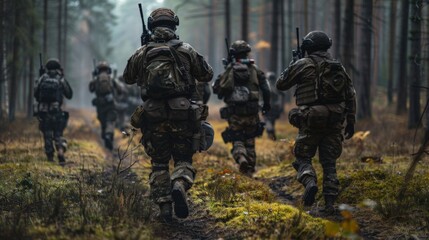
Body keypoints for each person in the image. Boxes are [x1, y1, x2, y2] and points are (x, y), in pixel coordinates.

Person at [123, 8, 213, 222]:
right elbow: (207, 74)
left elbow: (127, 78)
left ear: (152, 26)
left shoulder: (142, 52)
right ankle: (180, 184)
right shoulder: (186, 49)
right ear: (175, 25)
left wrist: (144, 49)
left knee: (159, 163)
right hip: (182, 112)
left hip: (153, 114)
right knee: (183, 158)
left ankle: (164, 207)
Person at [276, 31, 356, 214]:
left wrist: (294, 63)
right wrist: (351, 121)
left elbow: (281, 84)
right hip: (335, 121)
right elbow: (351, 95)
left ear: (308, 47)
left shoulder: (303, 64)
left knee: (302, 157)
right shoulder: (338, 67)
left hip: (310, 121)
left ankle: (309, 180)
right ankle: (329, 205)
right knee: (329, 164)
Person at [213, 40, 271, 177]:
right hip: (252, 112)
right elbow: (266, 89)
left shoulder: (230, 70)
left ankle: (241, 157)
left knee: (237, 139)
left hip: (235, 113)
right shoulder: (255, 69)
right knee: (250, 141)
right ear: (247, 53)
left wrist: (227, 68)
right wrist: (266, 105)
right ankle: (249, 171)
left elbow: (217, 88)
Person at [34, 58, 73, 165]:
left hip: (43, 111)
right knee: (58, 134)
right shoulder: (60, 78)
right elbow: (69, 94)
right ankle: (60, 151)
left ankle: (50, 157)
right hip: (56, 111)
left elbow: (36, 94)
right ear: (58, 68)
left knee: (47, 134)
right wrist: (63, 77)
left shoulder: (42, 78)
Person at [89, 61, 123, 150]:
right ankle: (108, 135)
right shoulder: (111, 79)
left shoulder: (96, 80)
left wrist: (93, 78)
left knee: (103, 122)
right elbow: (120, 90)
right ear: (108, 70)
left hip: (100, 105)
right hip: (110, 104)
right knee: (110, 121)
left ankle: (106, 136)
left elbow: (91, 89)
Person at [263, 72, 286, 140]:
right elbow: (282, 95)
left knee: (269, 121)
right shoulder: (275, 86)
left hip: (270, 107)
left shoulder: (267, 86)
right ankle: (271, 135)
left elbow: (282, 95)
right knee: (270, 121)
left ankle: (271, 134)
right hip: (273, 107)